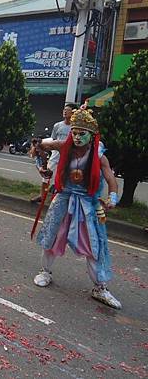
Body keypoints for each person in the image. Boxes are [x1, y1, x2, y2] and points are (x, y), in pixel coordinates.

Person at [32, 106, 121, 309]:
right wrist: (40, 151)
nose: (77, 137)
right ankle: (45, 272)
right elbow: (44, 145)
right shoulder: (65, 147)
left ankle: (100, 287)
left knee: (93, 246)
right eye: (74, 132)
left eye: (82, 134)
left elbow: (110, 179)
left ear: (91, 135)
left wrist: (113, 198)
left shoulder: (99, 156)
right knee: (52, 236)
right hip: (64, 199)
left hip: (88, 204)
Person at [31, 103, 77, 203]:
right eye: (64, 109)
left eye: (68, 110)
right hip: (56, 156)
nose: (65, 111)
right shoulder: (58, 125)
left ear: (73, 112)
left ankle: (60, 199)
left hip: (69, 157)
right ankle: (42, 196)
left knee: (65, 179)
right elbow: (53, 140)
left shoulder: (75, 127)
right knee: (46, 177)